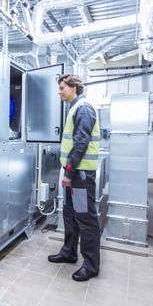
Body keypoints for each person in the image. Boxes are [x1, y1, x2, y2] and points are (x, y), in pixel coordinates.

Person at [47, 74, 101, 282]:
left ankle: (91, 265)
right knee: (69, 213)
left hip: (80, 175)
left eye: (62, 88)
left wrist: (69, 173)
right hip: (73, 173)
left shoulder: (84, 109)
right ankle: (69, 252)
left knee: (85, 218)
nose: (59, 91)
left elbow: (81, 143)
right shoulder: (74, 108)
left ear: (73, 88)